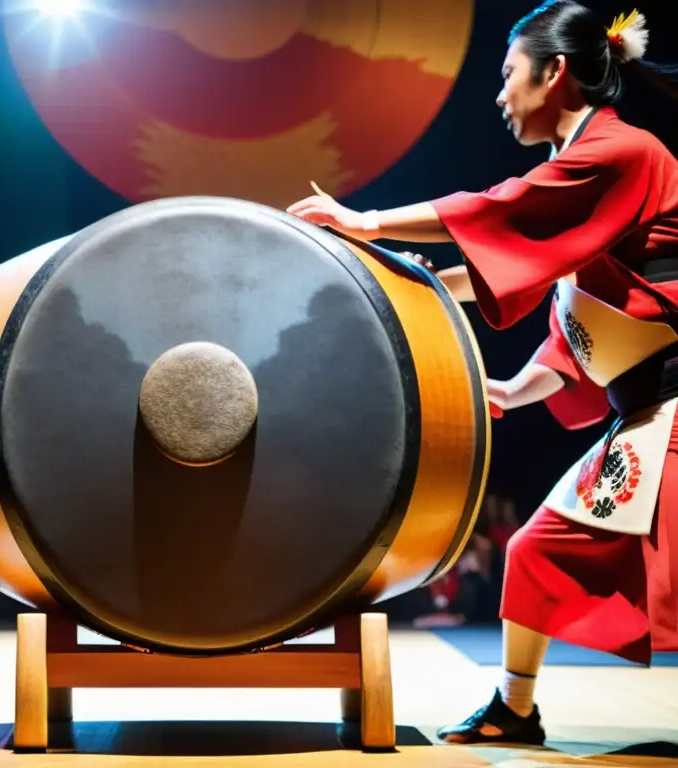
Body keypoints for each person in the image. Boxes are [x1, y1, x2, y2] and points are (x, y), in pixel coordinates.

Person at [287, 1, 678, 746]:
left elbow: (505, 214)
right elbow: (567, 309)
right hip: (650, 410)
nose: (499, 95)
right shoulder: (591, 178)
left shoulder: (622, 154)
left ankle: (513, 708)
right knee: (536, 548)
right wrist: (492, 370)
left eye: (508, 75)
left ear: (555, 72)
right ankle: (514, 709)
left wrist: (368, 223)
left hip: (671, 406)